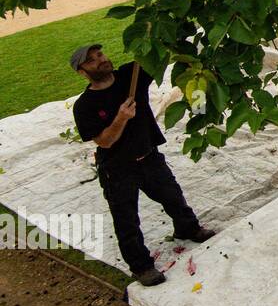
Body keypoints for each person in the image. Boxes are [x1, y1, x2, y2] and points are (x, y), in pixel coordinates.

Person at [69, 45, 215, 286]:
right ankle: (141, 266)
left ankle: (187, 228)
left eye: (100, 55)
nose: (100, 61)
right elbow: (105, 141)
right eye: (92, 61)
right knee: (126, 220)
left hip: (148, 156)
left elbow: (158, 53)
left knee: (173, 196)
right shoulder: (84, 106)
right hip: (117, 168)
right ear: (83, 72)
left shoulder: (130, 75)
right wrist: (121, 118)